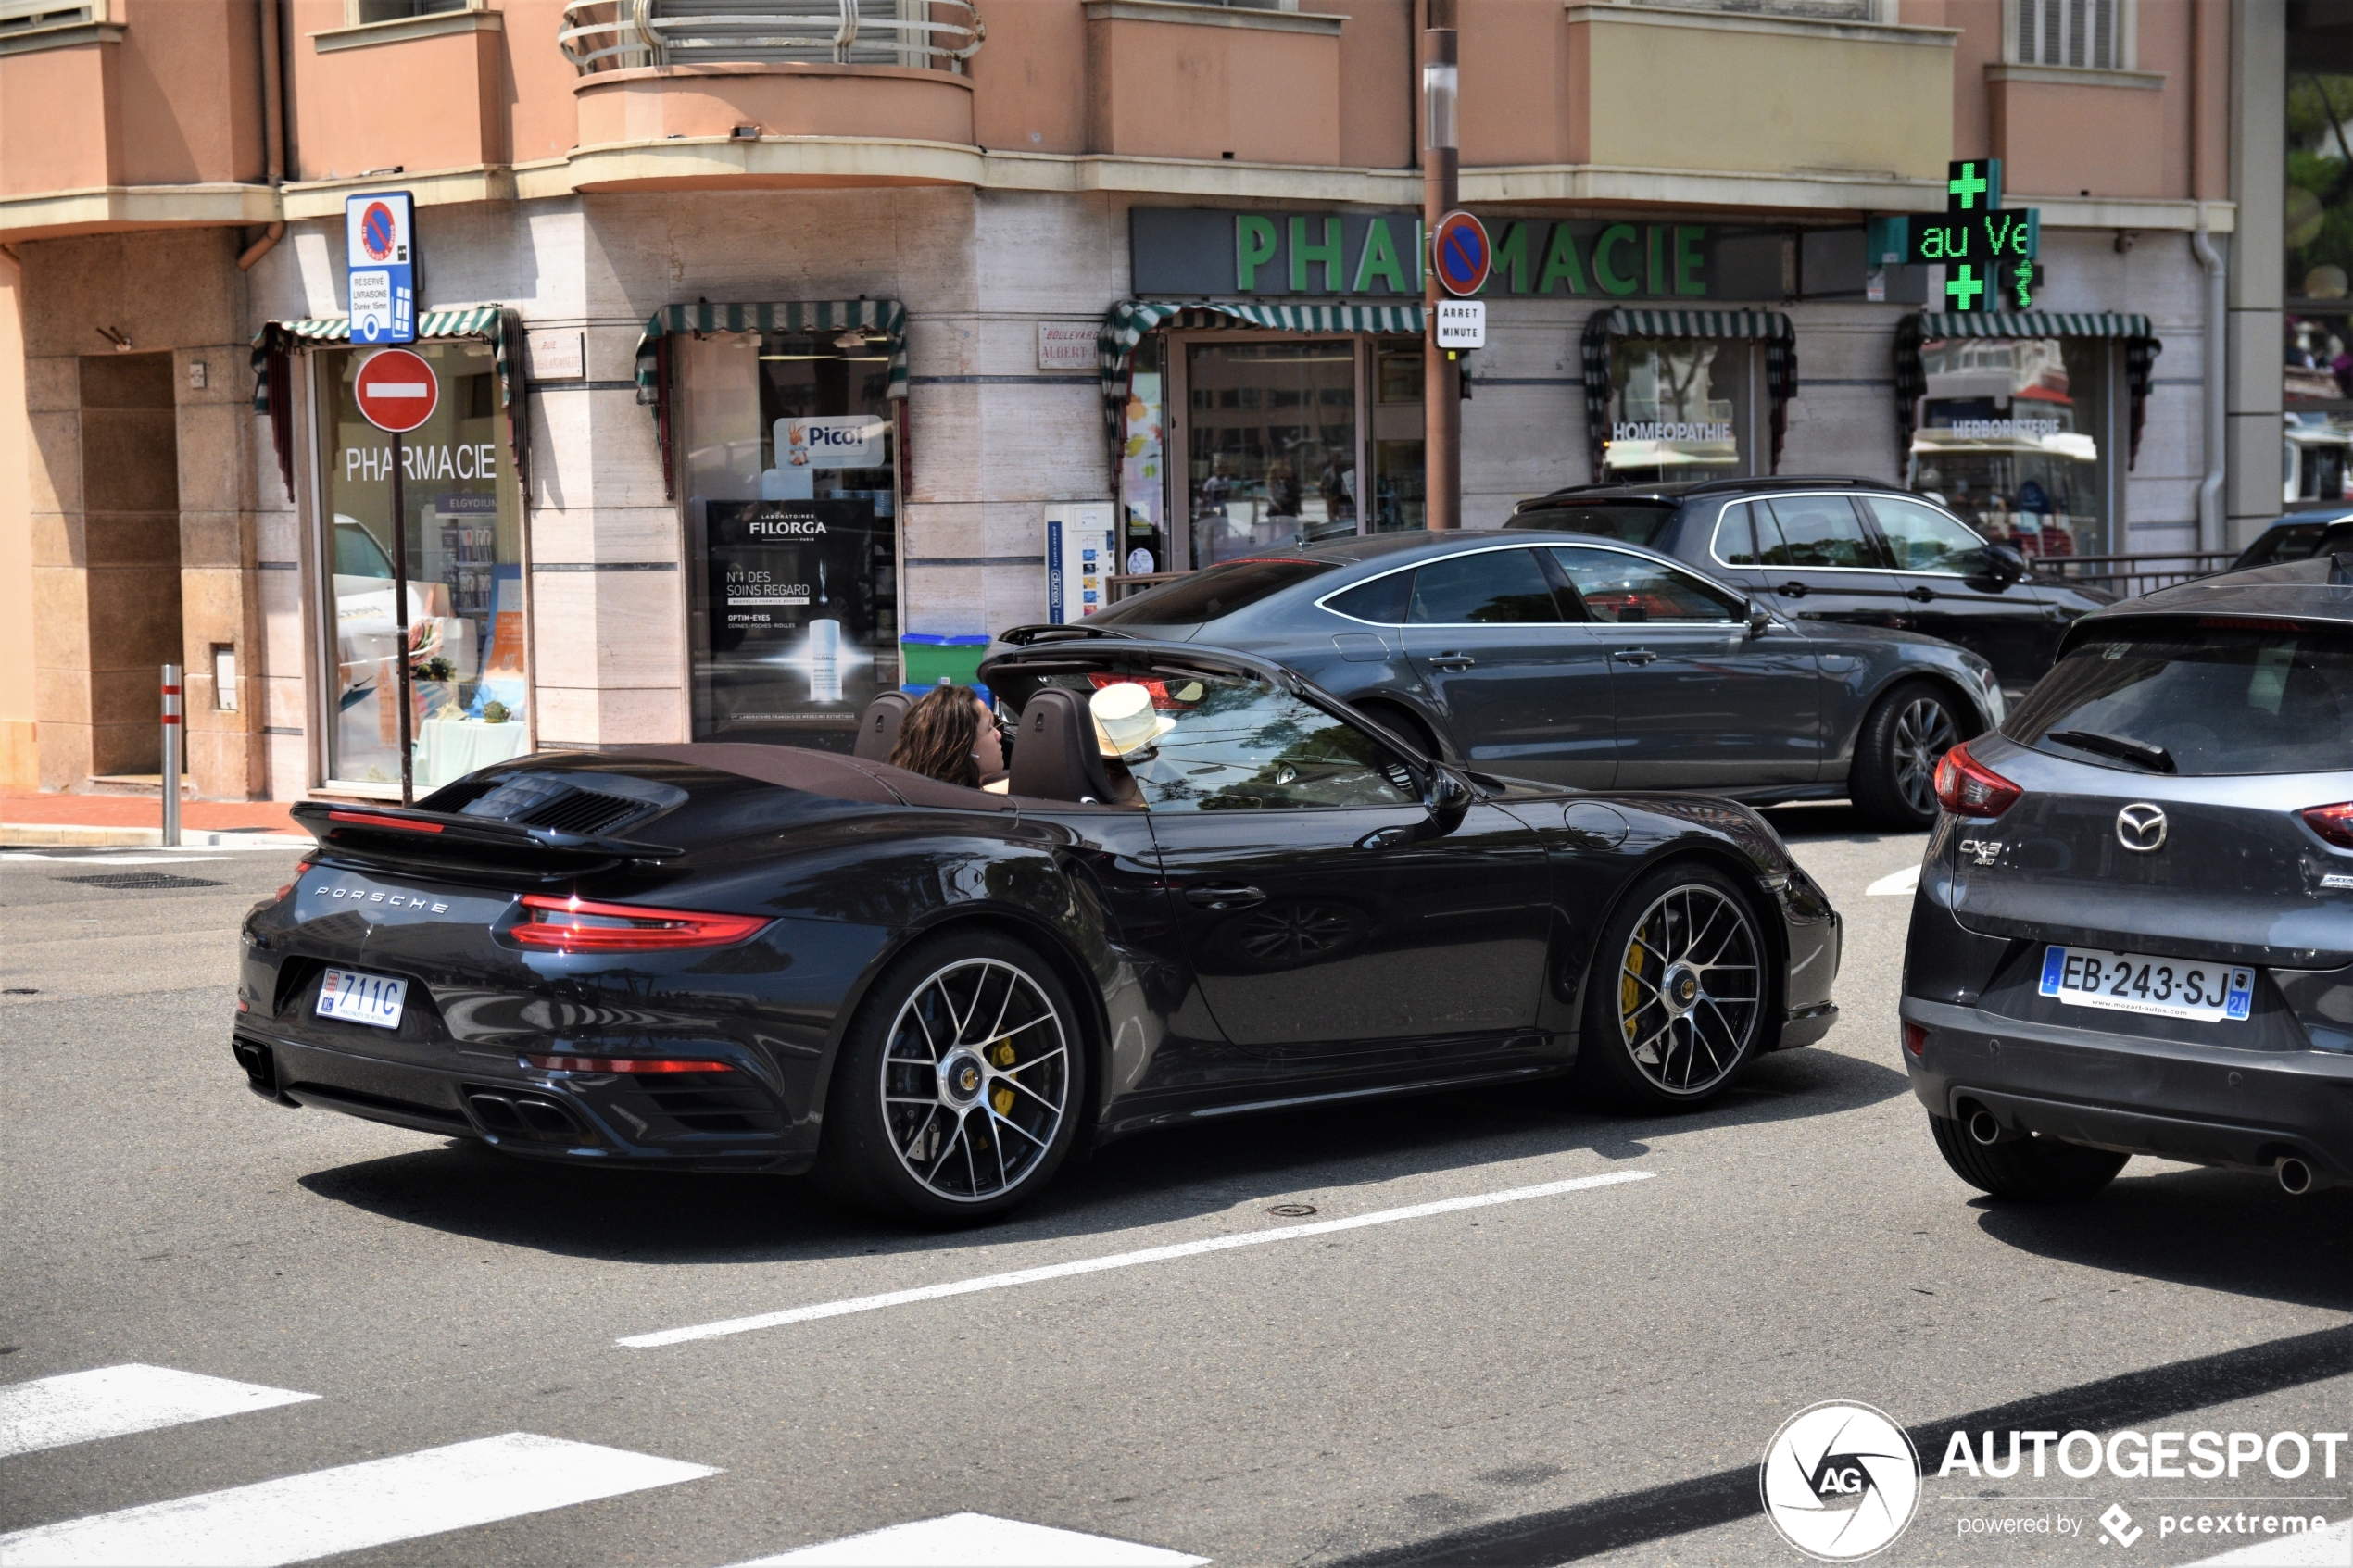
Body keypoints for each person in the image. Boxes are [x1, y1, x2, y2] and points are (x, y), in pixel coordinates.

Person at [888, 684, 1004, 789]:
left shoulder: (929, 795)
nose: (998, 735)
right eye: (989, 728)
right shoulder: (969, 807)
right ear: (963, 747)